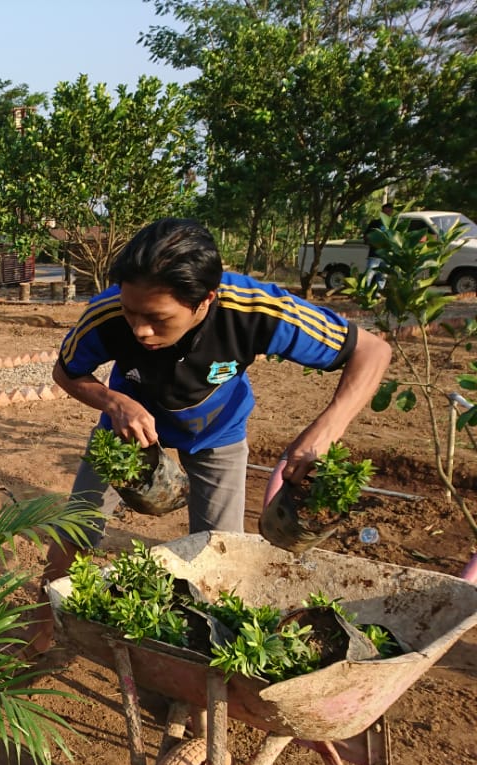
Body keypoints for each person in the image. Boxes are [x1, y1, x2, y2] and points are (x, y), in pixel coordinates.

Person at [41, 217, 392, 592]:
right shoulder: (108, 312)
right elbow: (66, 373)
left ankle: (203, 639)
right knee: (76, 530)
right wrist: (113, 401)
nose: (140, 330)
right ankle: (42, 624)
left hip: (216, 432)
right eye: (131, 313)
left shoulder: (257, 310)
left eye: (158, 318)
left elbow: (372, 350)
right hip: (128, 431)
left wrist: (325, 432)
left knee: (220, 554)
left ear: (205, 299)